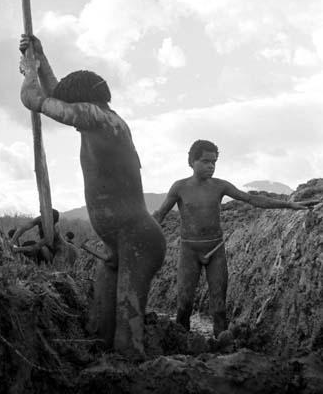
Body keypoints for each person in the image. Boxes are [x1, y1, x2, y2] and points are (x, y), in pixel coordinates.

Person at [18, 34, 166, 359]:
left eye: (72, 103)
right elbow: (56, 92)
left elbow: (33, 98)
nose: (69, 110)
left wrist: (30, 70)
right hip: (119, 244)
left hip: (137, 240)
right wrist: (41, 56)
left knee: (128, 344)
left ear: (83, 101)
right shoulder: (99, 118)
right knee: (100, 332)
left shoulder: (97, 117)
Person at [153, 139, 312, 343]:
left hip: (215, 249)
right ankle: (181, 346)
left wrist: (290, 205)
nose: (211, 166)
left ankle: (222, 345)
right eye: (205, 161)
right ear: (191, 162)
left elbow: (250, 199)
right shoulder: (180, 187)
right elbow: (160, 214)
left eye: (214, 161)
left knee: (219, 306)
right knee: (184, 304)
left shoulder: (220, 186)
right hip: (189, 251)